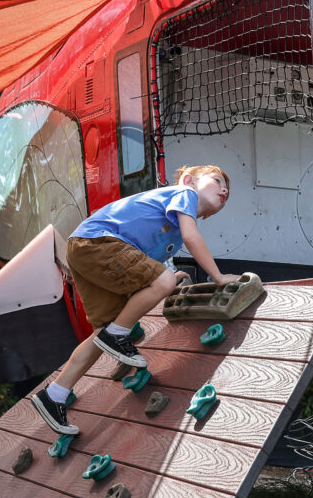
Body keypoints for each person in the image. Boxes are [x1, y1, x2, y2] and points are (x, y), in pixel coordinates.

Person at [31, 164, 241, 435]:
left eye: (227, 189)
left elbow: (141, 265)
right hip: (100, 242)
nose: (224, 189)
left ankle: (55, 395)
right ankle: (117, 335)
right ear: (190, 181)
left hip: (86, 246)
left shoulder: (170, 230)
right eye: (216, 181)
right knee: (158, 286)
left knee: (102, 330)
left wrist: (168, 274)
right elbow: (191, 237)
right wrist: (218, 277)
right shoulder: (184, 194)